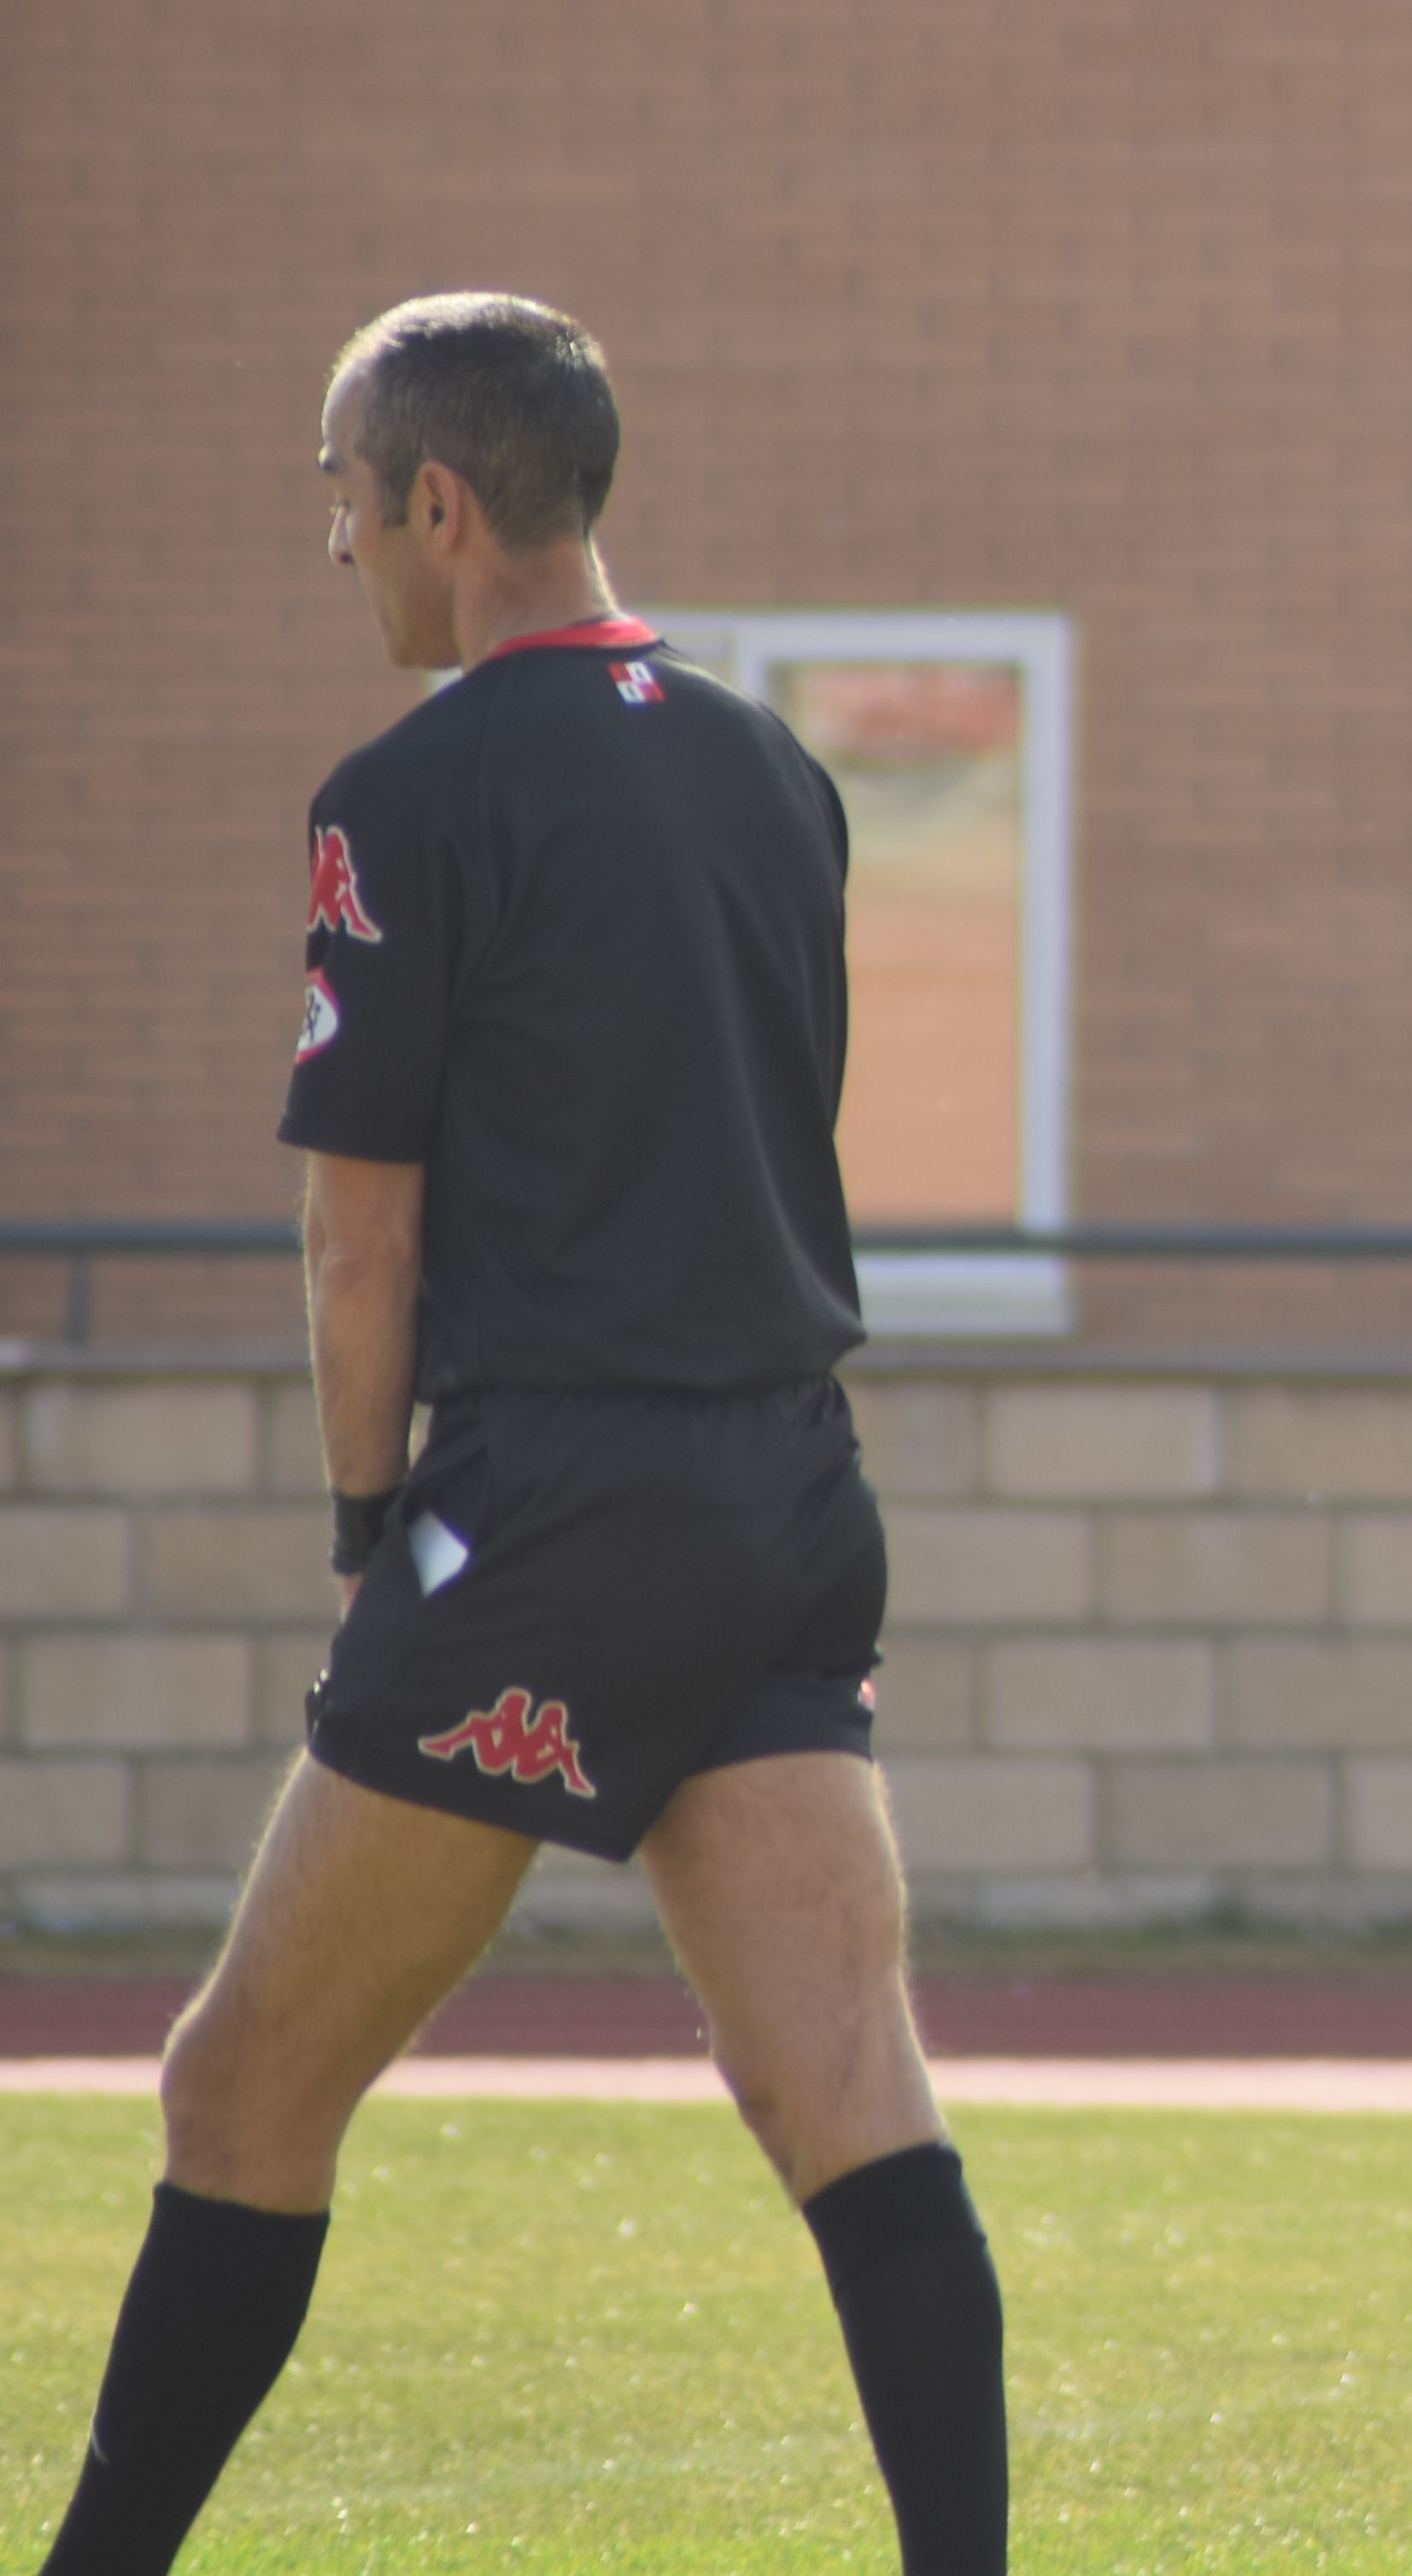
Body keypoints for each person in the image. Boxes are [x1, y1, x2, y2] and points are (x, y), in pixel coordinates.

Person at [31, 296, 1007, 2576]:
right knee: (846, 2094)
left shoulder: (408, 798)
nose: (334, 546)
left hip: (552, 1502)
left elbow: (356, 1242)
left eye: (339, 498)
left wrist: (377, 1522)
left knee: (238, 2088)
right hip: (790, 1491)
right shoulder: (783, 773)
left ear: (439, 508)